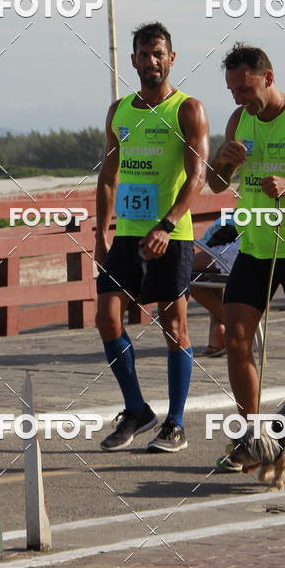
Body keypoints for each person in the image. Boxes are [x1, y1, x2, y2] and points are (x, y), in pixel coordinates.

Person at [208, 43, 285, 471]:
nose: (240, 98)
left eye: (246, 88)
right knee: (237, 339)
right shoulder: (237, 120)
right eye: (233, 91)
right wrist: (220, 162)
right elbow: (214, 184)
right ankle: (254, 440)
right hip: (255, 247)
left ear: (269, 77)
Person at [95, 22, 209, 452]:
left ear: (172, 58)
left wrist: (167, 224)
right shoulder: (119, 111)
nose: (151, 61)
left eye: (158, 53)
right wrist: (100, 233)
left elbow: (198, 175)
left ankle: (175, 424)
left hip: (170, 235)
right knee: (107, 318)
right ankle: (137, 410)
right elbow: (108, 176)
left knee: (173, 325)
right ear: (133, 61)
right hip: (125, 234)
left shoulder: (188, 109)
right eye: (143, 54)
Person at [190, 216, 239, 356]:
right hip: (257, 242)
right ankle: (218, 338)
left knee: (184, 272)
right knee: (205, 277)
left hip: (245, 244)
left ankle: (236, 329)